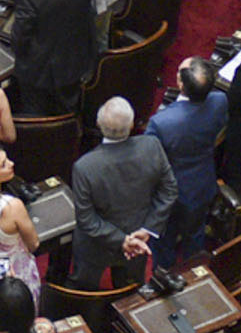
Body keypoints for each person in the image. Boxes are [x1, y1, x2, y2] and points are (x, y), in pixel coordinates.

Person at [71, 95, 176, 288]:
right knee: (130, 295)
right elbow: (169, 190)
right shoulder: (151, 146)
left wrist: (123, 240)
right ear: (131, 125)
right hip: (138, 239)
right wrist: (147, 229)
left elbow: (86, 219)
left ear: (98, 124)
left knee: (86, 293)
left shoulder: (84, 166)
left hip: (96, 246)